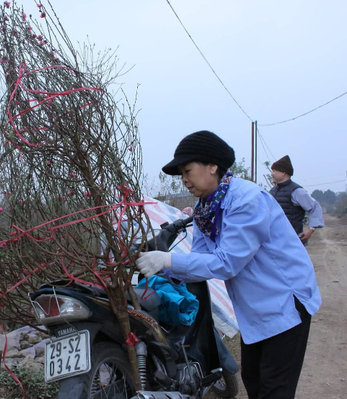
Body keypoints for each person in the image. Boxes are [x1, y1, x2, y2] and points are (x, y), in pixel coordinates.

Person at [137, 130, 321, 399]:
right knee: (253, 380)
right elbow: (199, 259)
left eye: (188, 170)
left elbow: (226, 262)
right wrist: (157, 266)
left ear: (212, 166)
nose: (185, 180)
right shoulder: (205, 209)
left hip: (285, 304)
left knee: (274, 388)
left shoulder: (246, 200)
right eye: (182, 174)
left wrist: (167, 260)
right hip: (255, 308)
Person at [269, 155, 324, 245]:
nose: (272, 174)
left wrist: (311, 230)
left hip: (292, 241)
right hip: (273, 240)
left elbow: (315, 207)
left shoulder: (297, 191)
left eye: (274, 171)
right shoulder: (272, 191)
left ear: (283, 172)